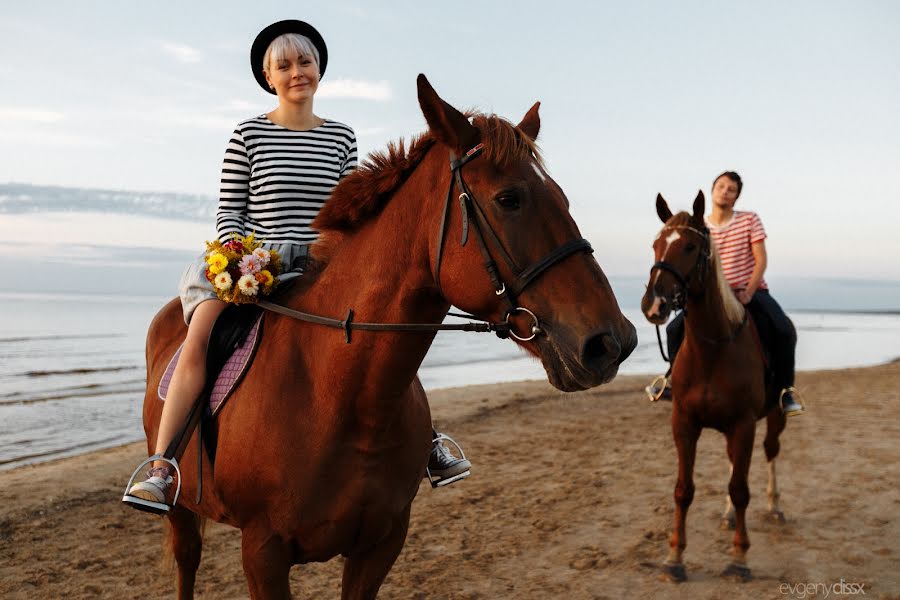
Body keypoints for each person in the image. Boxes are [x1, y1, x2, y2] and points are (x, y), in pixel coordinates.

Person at [123, 20, 470, 512]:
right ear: (269, 77)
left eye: (304, 62)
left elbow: (353, 209)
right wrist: (241, 255)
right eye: (283, 65)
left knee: (380, 334)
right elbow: (229, 209)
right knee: (201, 332)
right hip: (252, 259)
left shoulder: (341, 137)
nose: (296, 72)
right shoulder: (248, 133)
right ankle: (162, 467)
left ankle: (427, 440)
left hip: (325, 263)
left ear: (319, 69)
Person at [645, 171, 804, 416]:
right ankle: (672, 381)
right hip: (713, 296)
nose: (725, 192)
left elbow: (760, 260)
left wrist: (749, 291)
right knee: (674, 329)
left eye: (731, 189)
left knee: (783, 329)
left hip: (747, 291)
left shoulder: (749, 220)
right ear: (713, 190)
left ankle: (785, 390)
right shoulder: (700, 227)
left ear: (736, 196)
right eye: (721, 186)